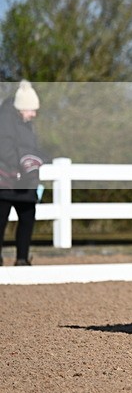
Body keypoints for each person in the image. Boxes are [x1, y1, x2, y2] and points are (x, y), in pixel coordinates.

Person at [0, 80, 47, 266]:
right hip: (5, 180)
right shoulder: (4, 122)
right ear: (21, 108)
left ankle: (22, 258)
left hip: (26, 181)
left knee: (27, 219)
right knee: (0, 221)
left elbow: (32, 148)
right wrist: (21, 164)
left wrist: (38, 160)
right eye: (31, 110)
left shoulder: (27, 125)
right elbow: (5, 148)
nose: (34, 114)